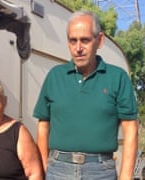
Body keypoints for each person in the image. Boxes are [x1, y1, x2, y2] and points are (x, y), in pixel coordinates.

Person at [33, 10, 138, 180]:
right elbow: (43, 125)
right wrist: (44, 166)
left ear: (100, 40)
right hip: (58, 170)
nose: (78, 48)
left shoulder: (117, 77)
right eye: (73, 41)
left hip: (101, 172)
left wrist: (126, 175)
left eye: (85, 40)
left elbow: (131, 129)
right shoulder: (54, 76)